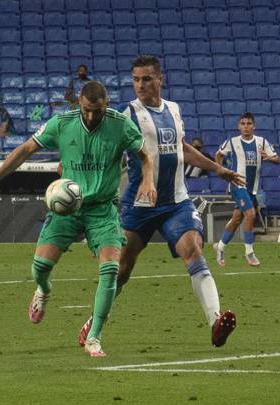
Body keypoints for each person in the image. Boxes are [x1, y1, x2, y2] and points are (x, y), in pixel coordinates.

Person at [0, 81, 156, 357]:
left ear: (106, 105)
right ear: (79, 102)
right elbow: (24, 150)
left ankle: (94, 336)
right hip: (67, 209)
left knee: (110, 269)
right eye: (88, 110)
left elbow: (145, 156)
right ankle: (43, 290)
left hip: (103, 208)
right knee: (40, 268)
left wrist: (148, 181)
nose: (93, 117)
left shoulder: (120, 123)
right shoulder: (61, 122)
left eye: (99, 111)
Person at [77, 55, 245, 349]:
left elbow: (181, 149)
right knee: (122, 269)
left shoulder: (174, 110)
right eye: (136, 80)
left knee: (192, 249)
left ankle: (216, 321)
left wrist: (218, 169)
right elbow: (107, 154)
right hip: (137, 206)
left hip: (175, 202)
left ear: (160, 79)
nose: (140, 85)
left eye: (146, 79)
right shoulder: (126, 114)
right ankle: (94, 322)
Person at [214, 112, 280, 267]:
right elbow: (218, 155)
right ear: (239, 126)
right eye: (243, 124)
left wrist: (271, 158)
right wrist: (221, 171)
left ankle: (220, 247)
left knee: (237, 218)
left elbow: (278, 159)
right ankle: (249, 253)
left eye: (249, 124)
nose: (246, 127)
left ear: (254, 126)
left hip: (252, 188)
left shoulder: (261, 142)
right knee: (250, 214)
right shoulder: (232, 142)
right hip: (237, 184)